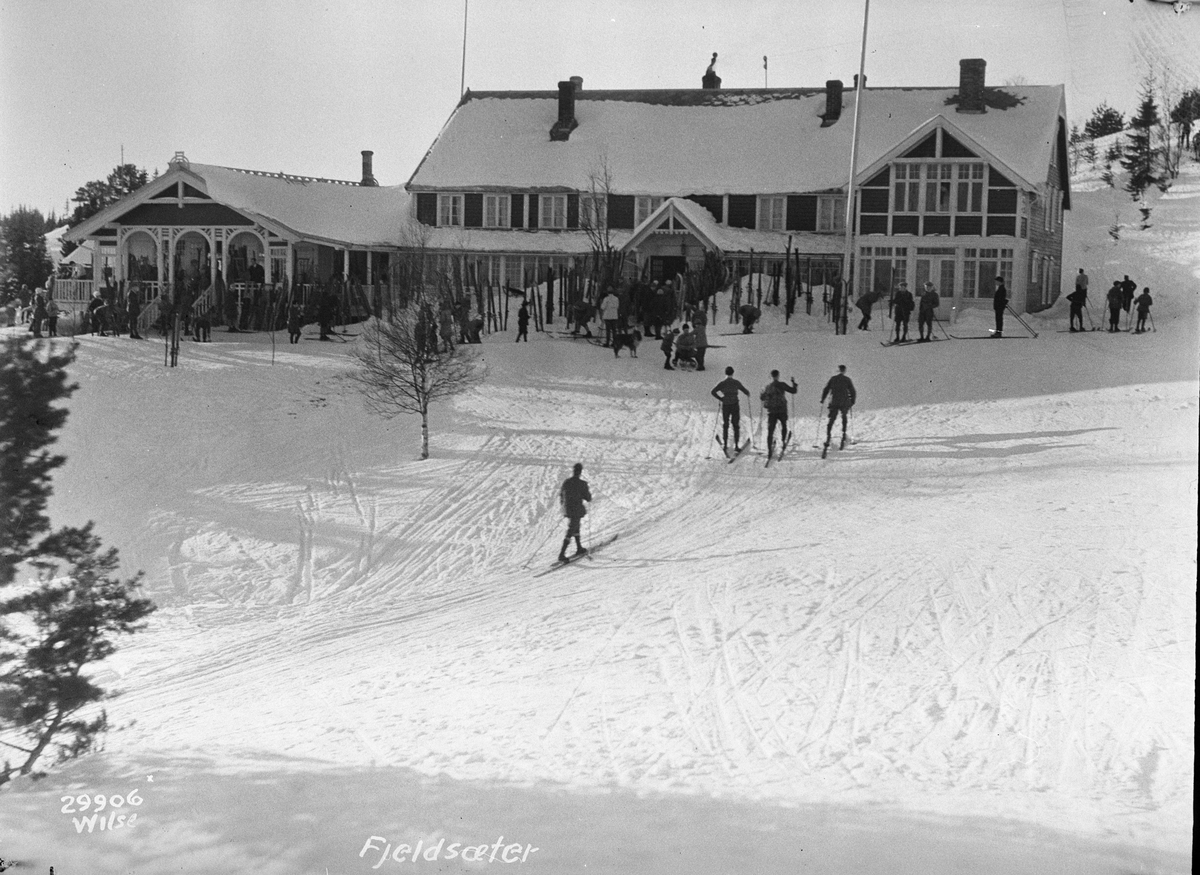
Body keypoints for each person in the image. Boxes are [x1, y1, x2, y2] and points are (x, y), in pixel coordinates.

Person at [557, 462, 592, 562]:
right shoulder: (582, 484)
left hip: (568, 510)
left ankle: (579, 548)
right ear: (580, 472)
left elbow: (561, 495)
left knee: (575, 528)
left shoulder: (567, 482)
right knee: (571, 530)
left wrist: (564, 506)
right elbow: (588, 498)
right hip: (577, 510)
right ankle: (561, 554)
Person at [759, 369, 798, 457]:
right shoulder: (782, 385)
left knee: (770, 430)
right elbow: (793, 391)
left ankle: (769, 450)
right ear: (778, 376)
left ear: (771, 376)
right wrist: (794, 384)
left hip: (772, 411)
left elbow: (762, 398)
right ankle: (783, 442)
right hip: (782, 409)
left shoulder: (767, 387)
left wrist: (761, 392)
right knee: (784, 425)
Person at [711, 366, 750, 451]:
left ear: (725, 373)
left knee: (726, 424)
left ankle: (725, 444)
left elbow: (713, 392)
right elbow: (745, 391)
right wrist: (747, 393)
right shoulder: (736, 382)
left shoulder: (722, 383)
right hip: (735, 405)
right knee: (735, 425)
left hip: (726, 405)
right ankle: (736, 446)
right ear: (733, 373)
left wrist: (721, 398)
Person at [820, 364, 857, 454]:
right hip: (844, 402)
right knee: (844, 416)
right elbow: (853, 391)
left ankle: (828, 435)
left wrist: (823, 399)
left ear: (838, 370)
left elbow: (826, 389)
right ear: (844, 371)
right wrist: (852, 401)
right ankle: (844, 433)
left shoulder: (833, 379)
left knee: (831, 418)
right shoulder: (847, 379)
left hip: (834, 401)